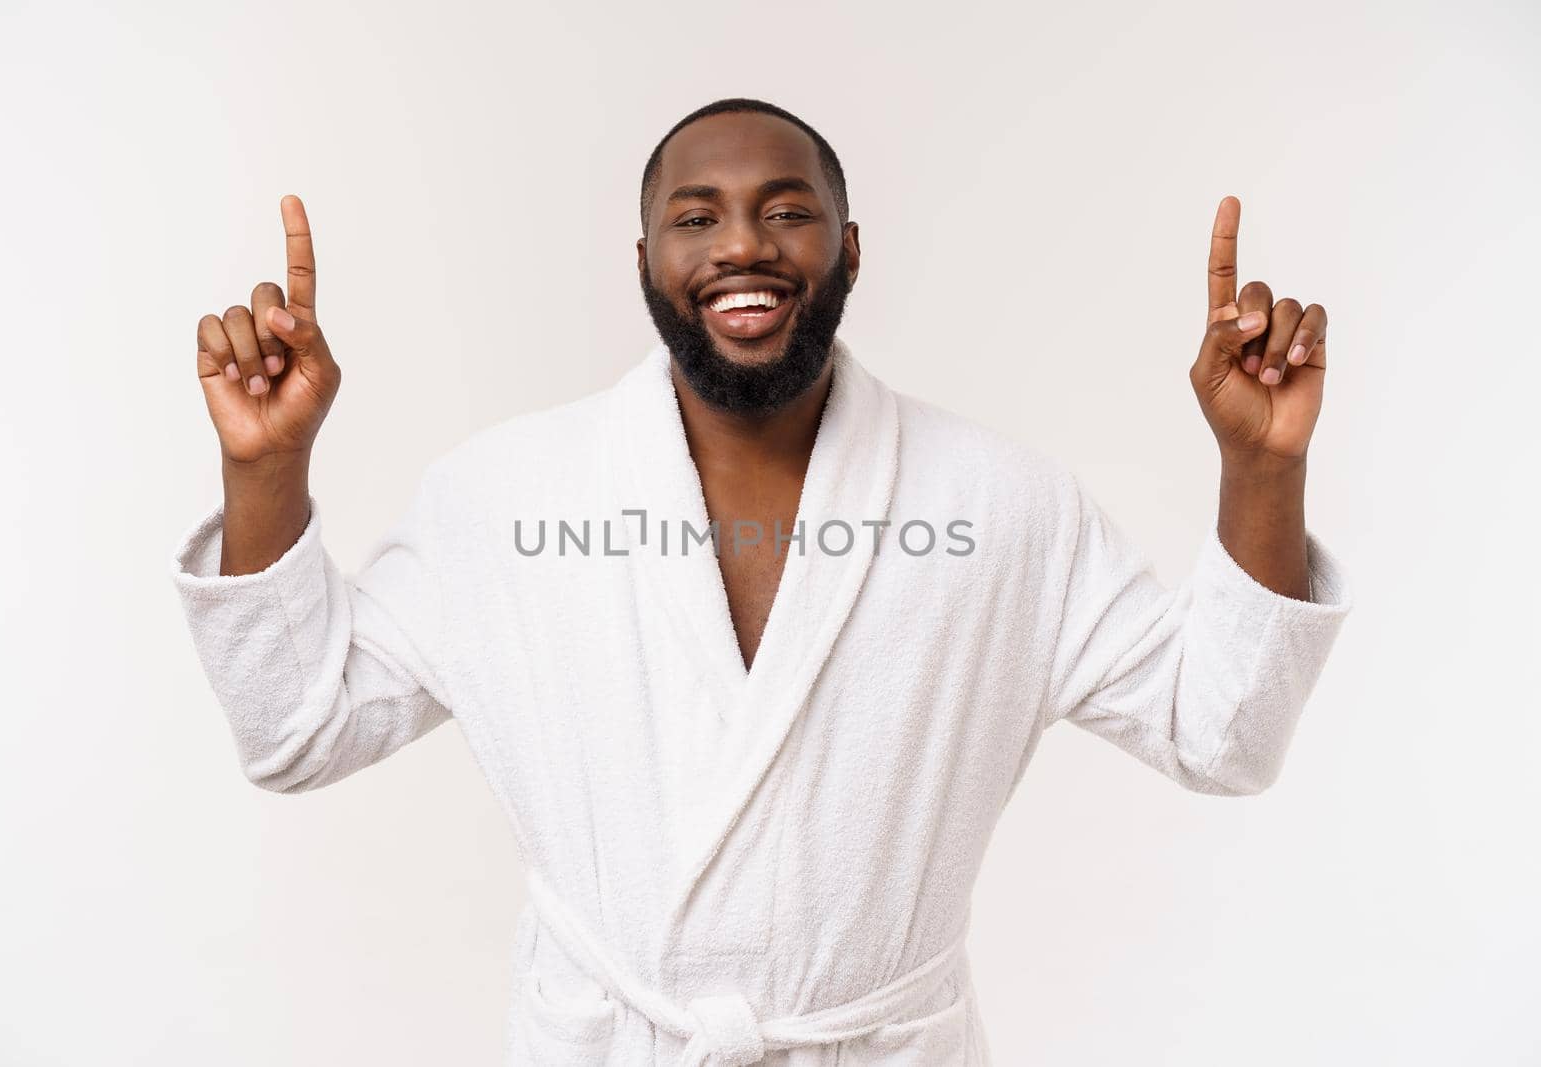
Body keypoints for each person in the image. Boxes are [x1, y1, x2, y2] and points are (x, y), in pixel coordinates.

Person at [172, 98, 1352, 1066]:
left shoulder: (1003, 506)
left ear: (849, 247)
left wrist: (1261, 465)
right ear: (647, 262)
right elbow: (295, 729)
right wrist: (264, 465)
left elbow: (1223, 734)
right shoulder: (504, 497)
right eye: (698, 217)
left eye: (787, 210)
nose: (742, 243)